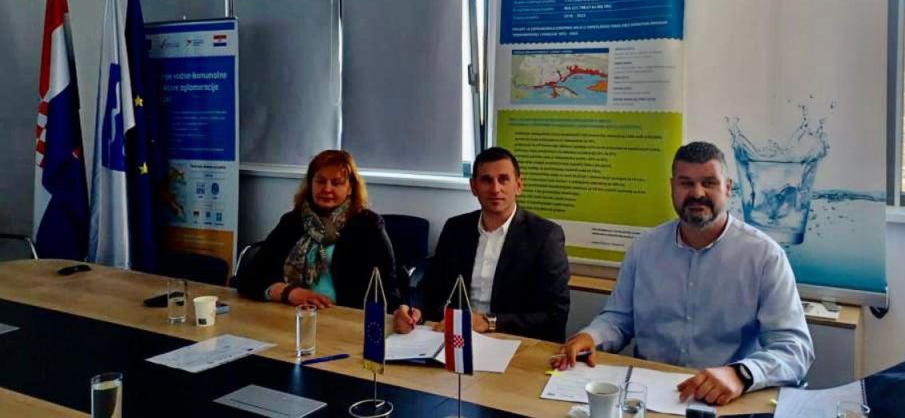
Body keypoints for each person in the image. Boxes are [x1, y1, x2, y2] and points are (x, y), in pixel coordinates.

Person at [554, 141, 813, 406]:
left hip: (724, 400)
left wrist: (741, 374)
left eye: (709, 183)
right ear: (672, 187)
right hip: (645, 395)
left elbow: (795, 349)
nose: (697, 193)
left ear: (728, 187)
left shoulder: (764, 256)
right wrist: (592, 336)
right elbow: (619, 318)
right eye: (686, 183)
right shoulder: (644, 248)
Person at [392, 147, 570, 342]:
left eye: (503, 179)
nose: (495, 189)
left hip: (511, 341)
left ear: (519, 185)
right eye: (486, 180)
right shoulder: (455, 228)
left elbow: (555, 316)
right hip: (452, 338)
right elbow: (431, 287)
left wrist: (487, 322)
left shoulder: (545, 236)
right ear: (473, 187)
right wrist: (414, 310)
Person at [236, 149, 399, 309]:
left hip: (343, 317)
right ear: (310, 185)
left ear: (350, 188)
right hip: (292, 313)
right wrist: (288, 292)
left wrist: (403, 312)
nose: (327, 189)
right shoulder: (293, 221)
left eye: (336, 183)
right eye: (320, 181)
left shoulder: (368, 225)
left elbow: (388, 291)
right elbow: (248, 278)